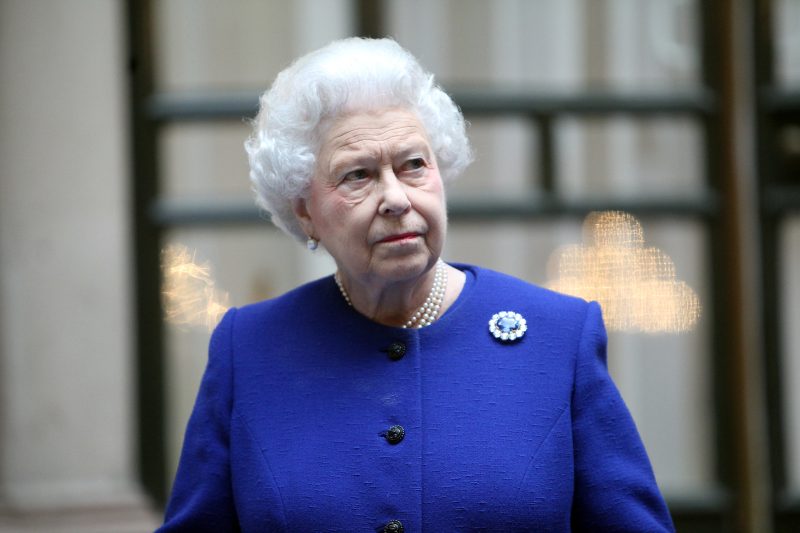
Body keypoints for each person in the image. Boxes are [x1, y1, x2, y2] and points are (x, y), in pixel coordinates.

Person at [158, 37, 674, 532]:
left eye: (413, 166)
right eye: (358, 174)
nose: (396, 198)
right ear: (305, 211)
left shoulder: (558, 337)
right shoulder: (248, 348)